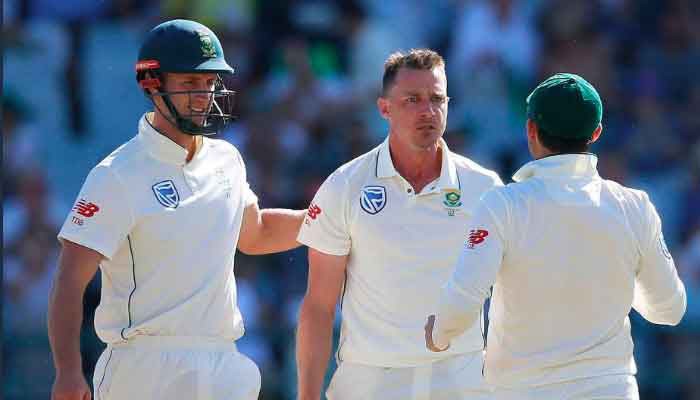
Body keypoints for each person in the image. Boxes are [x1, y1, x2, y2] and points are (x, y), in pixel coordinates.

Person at [48, 19, 305, 400]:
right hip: (144, 367)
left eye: (209, 82)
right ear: (152, 83)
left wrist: (330, 219)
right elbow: (70, 280)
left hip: (222, 360)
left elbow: (257, 233)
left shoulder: (227, 159)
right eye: (189, 82)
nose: (203, 94)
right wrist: (68, 371)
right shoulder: (116, 175)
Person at [426, 73, 687, 399]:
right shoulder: (634, 207)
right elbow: (669, 309)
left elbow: (465, 295)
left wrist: (439, 333)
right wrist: (618, 282)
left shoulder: (502, 205)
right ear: (596, 132)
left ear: (530, 130)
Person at [296, 49, 503, 400]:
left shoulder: (484, 188)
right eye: (412, 100)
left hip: (460, 381)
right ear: (384, 108)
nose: (428, 111)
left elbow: (512, 292)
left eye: (437, 99)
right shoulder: (345, 186)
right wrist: (307, 396)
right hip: (370, 381)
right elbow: (319, 305)